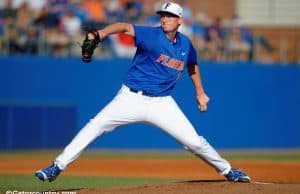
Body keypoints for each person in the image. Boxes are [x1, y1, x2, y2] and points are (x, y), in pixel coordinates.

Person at [35, 2, 251, 183]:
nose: (165, 18)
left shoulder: (186, 43)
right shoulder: (151, 35)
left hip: (161, 103)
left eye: (170, 15)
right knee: (96, 125)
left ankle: (228, 171)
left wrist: (200, 93)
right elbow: (123, 26)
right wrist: (100, 34)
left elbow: (192, 66)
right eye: (163, 15)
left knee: (194, 142)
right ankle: (57, 167)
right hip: (130, 98)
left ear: (180, 20)